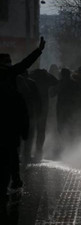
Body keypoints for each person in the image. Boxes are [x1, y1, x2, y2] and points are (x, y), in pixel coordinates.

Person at [0, 37, 46, 219]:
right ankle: (15, 180)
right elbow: (25, 63)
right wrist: (38, 50)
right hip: (9, 124)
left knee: (9, 155)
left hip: (8, 124)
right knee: (11, 154)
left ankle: (12, 181)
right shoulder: (12, 83)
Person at [29, 69, 58, 161]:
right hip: (43, 107)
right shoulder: (46, 77)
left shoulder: (32, 77)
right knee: (41, 130)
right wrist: (46, 73)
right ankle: (38, 152)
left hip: (33, 107)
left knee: (31, 130)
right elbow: (56, 81)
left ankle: (28, 152)